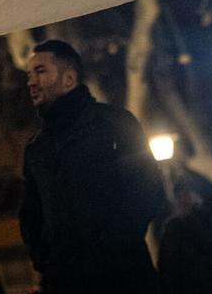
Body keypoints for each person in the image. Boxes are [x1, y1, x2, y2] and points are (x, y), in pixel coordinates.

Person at [18, 39, 164, 293]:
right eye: (29, 74)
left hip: (124, 277)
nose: (31, 82)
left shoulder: (115, 125)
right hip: (64, 281)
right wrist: (45, 260)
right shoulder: (36, 148)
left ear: (69, 79)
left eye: (40, 72)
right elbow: (30, 212)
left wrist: (113, 246)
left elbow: (147, 189)